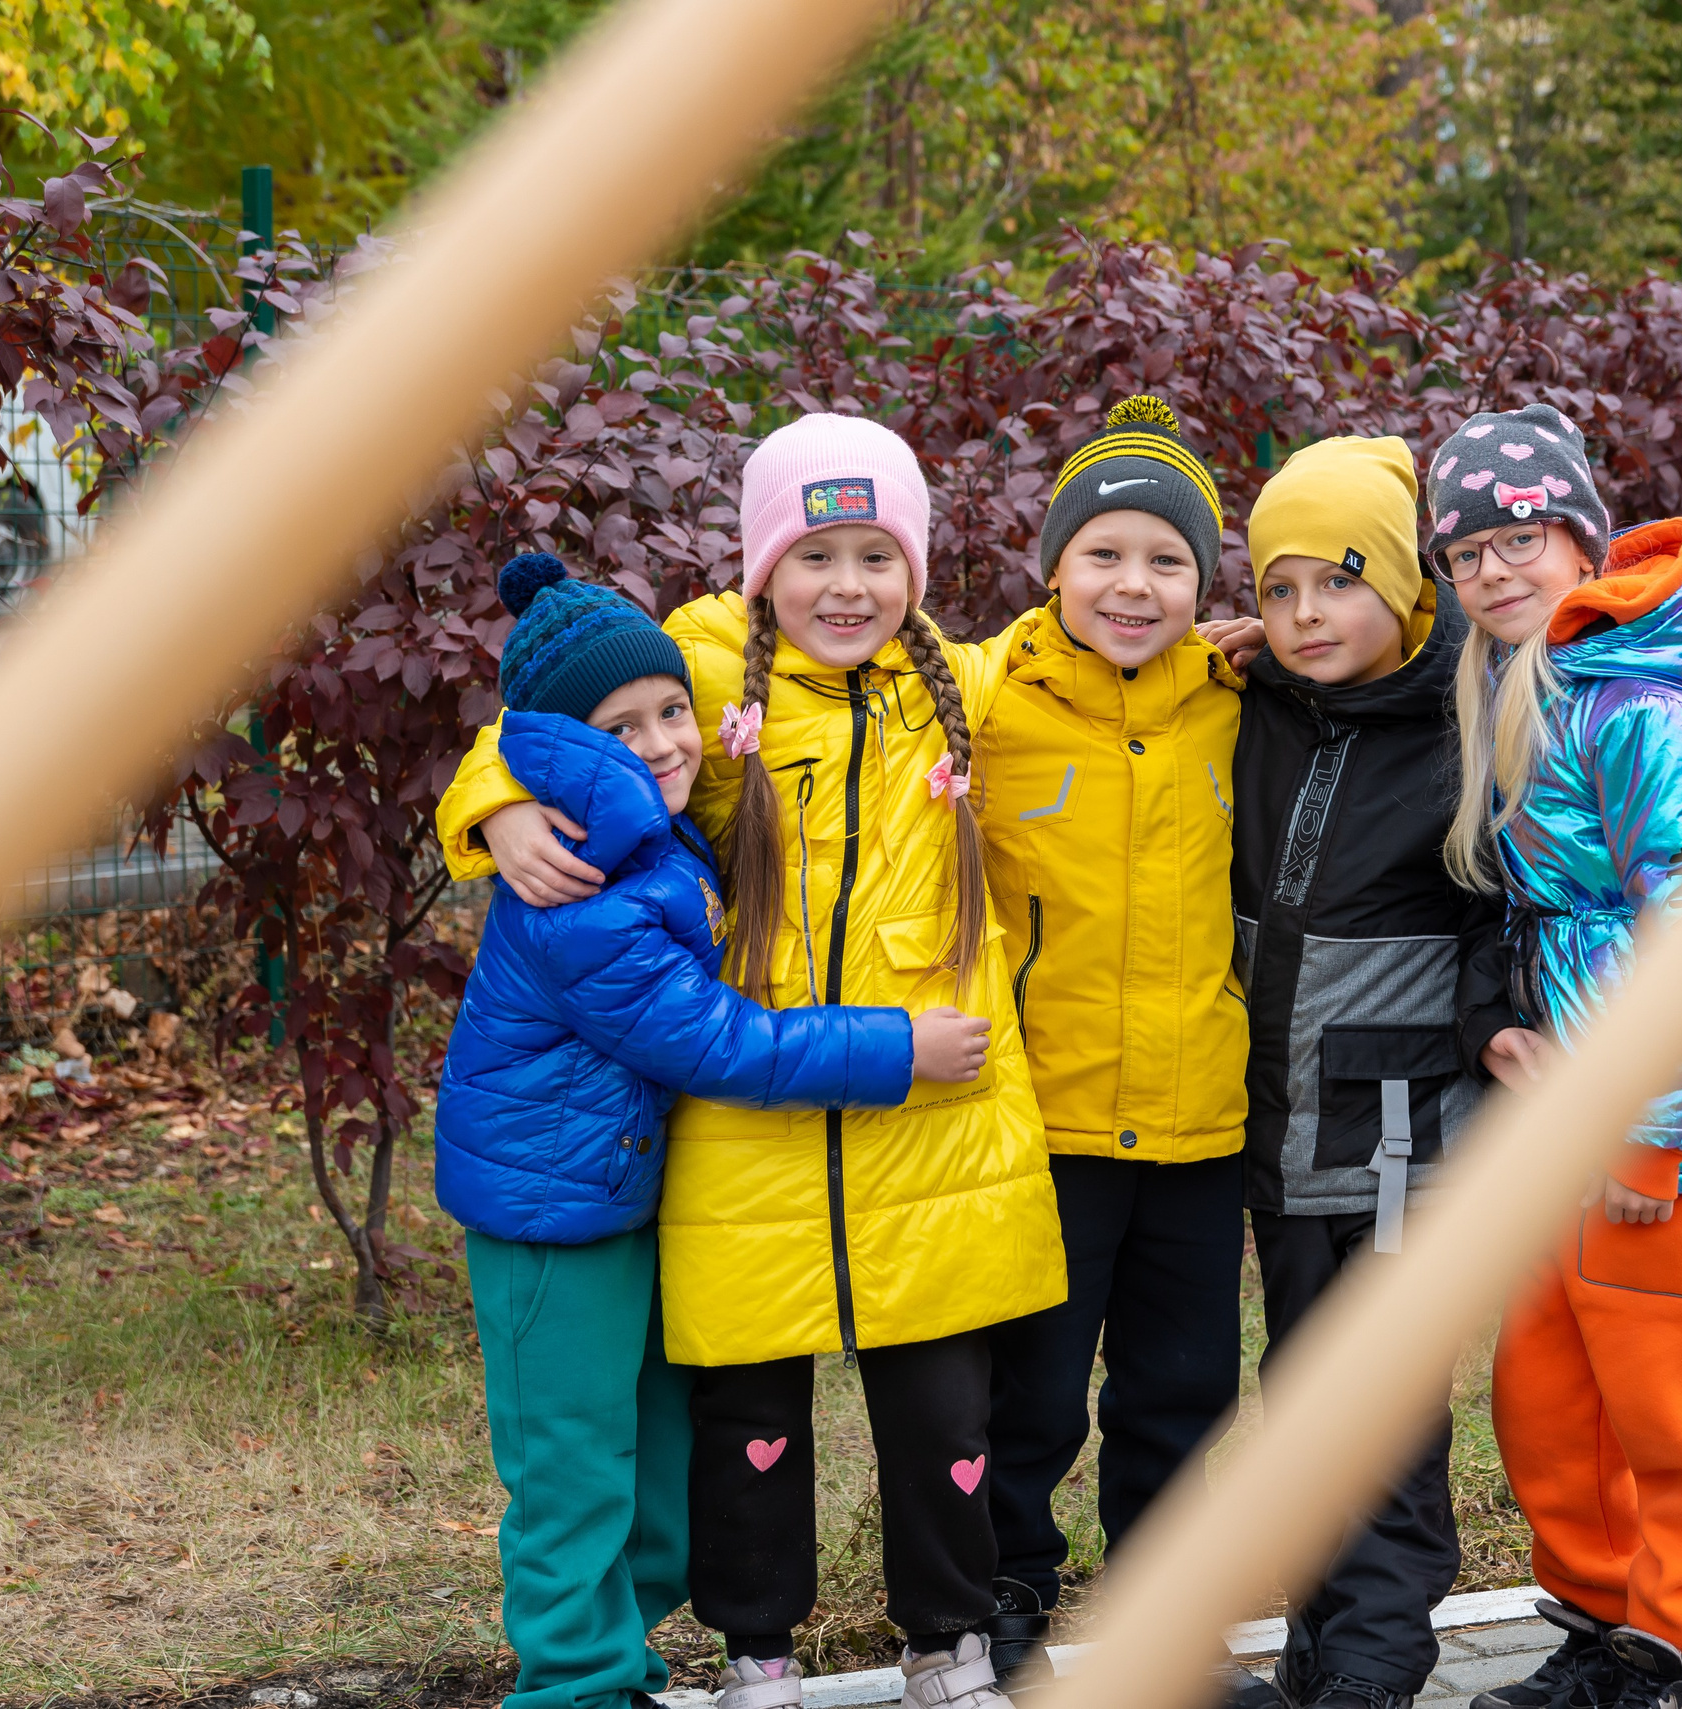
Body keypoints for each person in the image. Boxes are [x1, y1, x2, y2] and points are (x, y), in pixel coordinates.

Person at [438, 416, 1069, 1709]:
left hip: (931, 1137)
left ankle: (947, 1645)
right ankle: (747, 1656)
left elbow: (1103, 653)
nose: (847, 584)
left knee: (943, 1421)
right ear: (760, 563)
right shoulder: (709, 666)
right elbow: (553, 718)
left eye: (876, 554)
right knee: (739, 1431)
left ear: (920, 568)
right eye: (814, 552)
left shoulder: (956, 679)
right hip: (755, 1128)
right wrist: (489, 807)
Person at [1426, 406, 1682, 1709]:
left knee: (1673, 1403)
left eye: (1523, 536)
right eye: (1466, 552)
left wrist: (1650, 1127)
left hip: (1665, 1133)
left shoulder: (1643, 710)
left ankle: (1674, 1647)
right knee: (1553, 1394)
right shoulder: (1521, 692)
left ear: (1581, 540)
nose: (1495, 569)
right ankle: (1597, 1622)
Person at [967, 397, 1256, 1693]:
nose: (1134, 586)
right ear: (1052, 563)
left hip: (1199, 1127)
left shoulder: (1242, 701)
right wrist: (509, 792)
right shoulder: (978, 692)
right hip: (1047, 1122)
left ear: (1206, 583)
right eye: (1106, 553)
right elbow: (755, 688)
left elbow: (1408, 663)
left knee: (1182, 1397)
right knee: (1024, 1399)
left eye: (1168, 561)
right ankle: (1002, 1595)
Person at [1229, 434, 1512, 1709]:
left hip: (1400, 1133)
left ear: (1402, 587)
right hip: (1285, 1130)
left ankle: (1376, 1665)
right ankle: (1316, 1656)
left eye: (1334, 584)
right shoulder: (1261, 705)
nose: (1302, 616)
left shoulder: (1467, 714)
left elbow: (1506, 911)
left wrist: (1497, 1024)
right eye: (1279, 590)